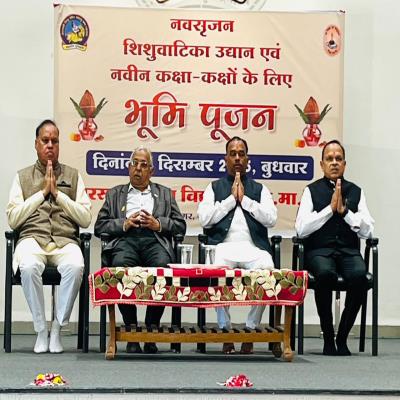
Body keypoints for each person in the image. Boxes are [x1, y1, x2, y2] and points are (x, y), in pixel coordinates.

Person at [6, 119, 92, 353]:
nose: (50, 145)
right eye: (45, 140)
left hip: (65, 241)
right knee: (28, 266)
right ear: (36, 144)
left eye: (55, 141)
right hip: (32, 239)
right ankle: (40, 329)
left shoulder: (73, 176)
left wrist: (59, 195)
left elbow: (85, 218)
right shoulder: (22, 177)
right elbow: (13, 219)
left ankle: (56, 328)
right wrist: (43, 193)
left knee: (76, 266)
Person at [94, 146, 186, 354]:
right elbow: (100, 226)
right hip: (126, 240)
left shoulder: (165, 194)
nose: (138, 168)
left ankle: (151, 330)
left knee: (162, 269)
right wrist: (124, 223)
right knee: (120, 269)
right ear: (128, 167)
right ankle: (131, 329)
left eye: (143, 165)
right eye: (134, 163)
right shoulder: (114, 194)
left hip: (154, 240)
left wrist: (158, 224)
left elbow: (180, 226)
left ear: (151, 171)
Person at [198, 136, 277, 354]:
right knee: (215, 270)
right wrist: (231, 200)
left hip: (253, 248)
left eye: (241, 154)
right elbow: (204, 219)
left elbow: (271, 219)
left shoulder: (260, 189)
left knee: (267, 269)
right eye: (232, 154)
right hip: (223, 247)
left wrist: (246, 201)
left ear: (248, 159)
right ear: (225, 159)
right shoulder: (213, 188)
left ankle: (250, 329)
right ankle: (226, 331)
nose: (237, 158)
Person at [295, 139, 374, 356]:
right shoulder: (311, 190)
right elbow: (301, 229)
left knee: (359, 276)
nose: (334, 163)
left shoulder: (356, 191)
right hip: (319, 251)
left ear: (345, 164)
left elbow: (368, 231)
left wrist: (345, 212)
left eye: (338, 159)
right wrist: (329, 210)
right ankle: (328, 338)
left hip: (348, 251)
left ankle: (343, 337)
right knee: (325, 274)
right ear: (322, 164)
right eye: (329, 159)